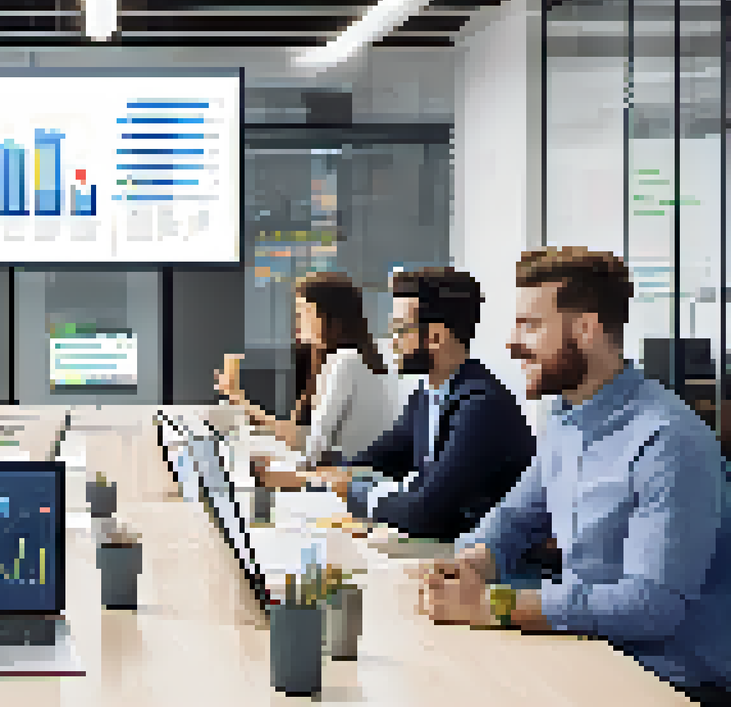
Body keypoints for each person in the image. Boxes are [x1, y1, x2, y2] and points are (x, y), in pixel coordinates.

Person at [418, 247, 731, 706]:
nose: (512, 342)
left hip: (670, 683)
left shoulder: (667, 441)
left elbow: (651, 607)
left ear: (585, 329)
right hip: (592, 654)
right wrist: (468, 565)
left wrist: (492, 605)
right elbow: (513, 520)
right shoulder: (566, 419)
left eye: (531, 325)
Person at [260, 267, 538, 541]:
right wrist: (313, 480)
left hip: (485, 565)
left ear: (435, 338)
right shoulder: (428, 394)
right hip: (450, 549)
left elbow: (426, 511)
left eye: (399, 329)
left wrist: (352, 491)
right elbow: (381, 458)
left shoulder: (480, 406)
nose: (392, 342)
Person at [215, 270, 397, 468]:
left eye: (304, 313)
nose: (297, 323)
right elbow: (301, 435)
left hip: (345, 478)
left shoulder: (347, 361)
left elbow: (312, 447)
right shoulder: (331, 360)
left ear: (331, 317)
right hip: (339, 473)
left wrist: (240, 399)